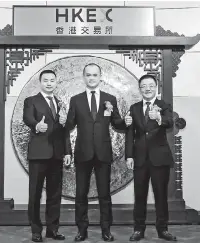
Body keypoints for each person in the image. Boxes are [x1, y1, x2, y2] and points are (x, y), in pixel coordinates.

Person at [64, 63, 133, 242]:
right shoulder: (75, 99)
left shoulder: (110, 98)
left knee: (104, 195)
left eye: (95, 75)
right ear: (83, 77)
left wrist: (125, 121)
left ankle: (106, 230)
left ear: (100, 77)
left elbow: (117, 123)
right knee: (81, 194)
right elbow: (70, 125)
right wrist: (63, 120)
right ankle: (81, 230)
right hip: (82, 152)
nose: (91, 78)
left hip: (103, 152)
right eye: (88, 75)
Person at [125, 74, 177, 241]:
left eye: (150, 85)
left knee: (160, 195)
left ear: (156, 87)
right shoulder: (134, 108)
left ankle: (163, 229)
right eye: (143, 86)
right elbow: (129, 134)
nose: (147, 88)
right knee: (139, 195)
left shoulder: (163, 105)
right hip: (139, 159)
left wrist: (159, 118)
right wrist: (129, 155)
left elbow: (170, 122)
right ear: (139, 89)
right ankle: (138, 229)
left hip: (159, 158)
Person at [23, 69, 71, 242]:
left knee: (55, 194)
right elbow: (27, 118)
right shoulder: (31, 101)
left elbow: (64, 131)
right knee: (35, 194)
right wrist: (37, 126)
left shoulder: (60, 103)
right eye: (46, 80)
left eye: (52, 80)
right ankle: (36, 230)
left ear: (56, 82)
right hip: (38, 154)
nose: (49, 83)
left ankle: (53, 229)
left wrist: (67, 152)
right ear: (40, 82)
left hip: (57, 155)